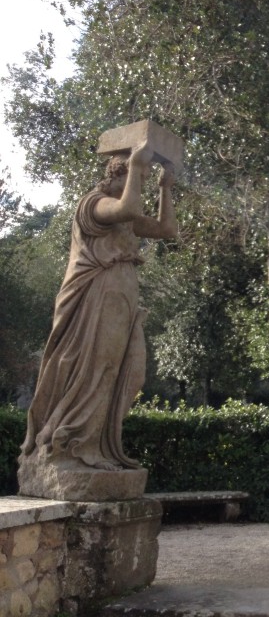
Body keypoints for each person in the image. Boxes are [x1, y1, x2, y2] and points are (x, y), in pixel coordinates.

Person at [20, 145, 177, 475]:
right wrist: (137, 161)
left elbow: (166, 230)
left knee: (129, 372)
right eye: (138, 177)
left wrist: (166, 188)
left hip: (121, 299)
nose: (142, 184)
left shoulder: (126, 220)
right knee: (96, 368)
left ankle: (92, 443)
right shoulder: (94, 205)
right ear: (118, 173)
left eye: (145, 179)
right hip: (96, 296)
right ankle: (71, 443)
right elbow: (128, 205)